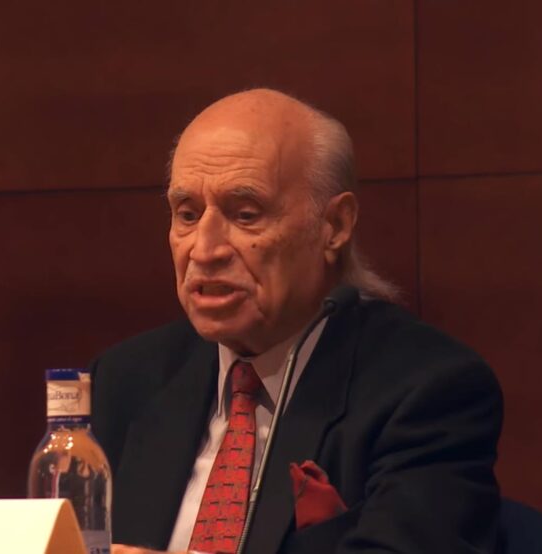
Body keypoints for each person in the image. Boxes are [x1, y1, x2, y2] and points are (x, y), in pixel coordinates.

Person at [90, 89, 503, 553]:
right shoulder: (125, 380)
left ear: (335, 226)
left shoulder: (428, 392)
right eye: (187, 215)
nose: (204, 250)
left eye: (246, 215)